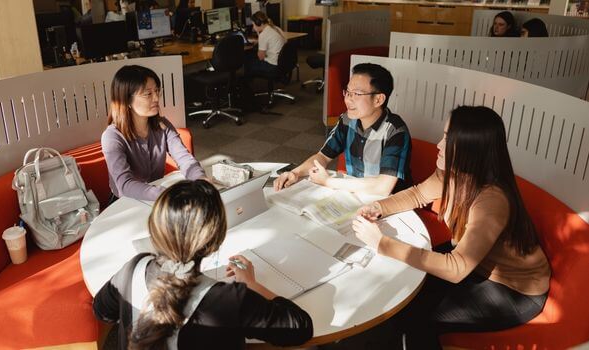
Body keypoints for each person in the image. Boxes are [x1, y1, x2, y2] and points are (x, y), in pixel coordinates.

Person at [352, 106, 550, 349]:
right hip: (476, 265)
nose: (438, 144)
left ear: (471, 148)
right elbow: (417, 194)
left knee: (415, 316)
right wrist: (378, 207)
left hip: (513, 290)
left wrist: (382, 243)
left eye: (447, 138)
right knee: (402, 288)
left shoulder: (491, 199)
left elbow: (456, 269)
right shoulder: (452, 173)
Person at [93, 180, 314, 349]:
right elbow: (301, 327)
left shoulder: (134, 267)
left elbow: (102, 311)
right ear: (214, 241)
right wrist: (252, 285)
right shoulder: (228, 300)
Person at [274, 63, 412, 196]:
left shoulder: (395, 131)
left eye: (357, 94)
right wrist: (295, 173)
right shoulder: (347, 120)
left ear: (378, 99)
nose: (348, 100)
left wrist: (328, 181)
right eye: (348, 92)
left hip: (387, 204)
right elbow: (322, 156)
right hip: (354, 194)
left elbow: (383, 187)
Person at [101, 65, 206, 203]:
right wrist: (166, 194)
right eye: (148, 94)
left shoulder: (162, 125)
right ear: (126, 100)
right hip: (126, 203)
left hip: (159, 198)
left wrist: (201, 179)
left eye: (157, 91)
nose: (156, 98)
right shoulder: (112, 136)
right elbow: (125, 185)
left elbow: (185, 159)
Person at [244, 11, 286, 77]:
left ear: (259, 23)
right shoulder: (275, 28)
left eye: (253, 25)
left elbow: (261, 57)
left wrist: (259, 36)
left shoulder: (263, 34)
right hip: (282, 62)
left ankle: (247, 83)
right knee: (252, 55)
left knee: (247, 59)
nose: (253, 28)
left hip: (272, 65)